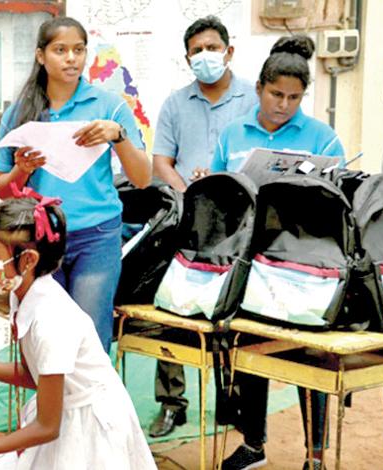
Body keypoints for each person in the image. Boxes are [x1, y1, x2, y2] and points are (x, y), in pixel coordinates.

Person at [0, 196, 155, 469]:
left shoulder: (51, 320)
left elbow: (46, 426)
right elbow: (32, 374)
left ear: (28, 260)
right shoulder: (21, 294)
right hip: (64, 416)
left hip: (90, 426)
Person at [215, 35, 343, 470]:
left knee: (311, 356)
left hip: (307, 265)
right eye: (275, 94)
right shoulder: (233, 133)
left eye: (294, 97)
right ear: (259, 89)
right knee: (250, 350)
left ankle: (316, 455)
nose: (284, 105)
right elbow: (220, 195)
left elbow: (338, 201)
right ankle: (253, 445)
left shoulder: (322, 138)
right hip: (250, 261)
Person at [0, 16, 152, 353]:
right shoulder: (20, 112)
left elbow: (142, 178)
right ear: (41, 56)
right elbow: (2, 190)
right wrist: (21, 170)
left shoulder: (109, 106)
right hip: (40, 240)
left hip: (97, 236)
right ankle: (50, 408)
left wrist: (118, 136)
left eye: (78, 50)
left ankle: (92, 407)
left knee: (91, 339)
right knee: (44, 339)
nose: (71, 58)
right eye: (60, 50)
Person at [148, 16, 258, 438]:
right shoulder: (176, 104)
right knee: (174, 306)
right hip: (189, 217)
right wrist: (186, 195)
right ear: (187, 58)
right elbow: (161, 162)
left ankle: (232, 399)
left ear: (229, 52)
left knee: (233, 312)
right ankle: (172, 403)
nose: (205, 56)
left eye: (212, 48)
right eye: (197, 51)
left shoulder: (253, 97)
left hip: (239, 220)